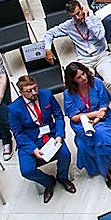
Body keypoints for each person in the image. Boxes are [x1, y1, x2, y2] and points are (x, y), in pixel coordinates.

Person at [42, 0, 111, 120]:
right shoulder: (69, 26)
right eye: (73, 16)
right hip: (85, 59)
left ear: (82, 9)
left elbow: (100, 35)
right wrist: (48, 49)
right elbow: (49, 33)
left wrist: (88, 19)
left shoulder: (95, 19)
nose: (77, 17)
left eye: (78, 13)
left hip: (101, 55)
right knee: (83, 80)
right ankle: (93, 107)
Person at [62, 62, 111, 189]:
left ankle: (106, 172)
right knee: (92, 139)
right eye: (78, 77)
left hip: (102, 119)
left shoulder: (96, 82)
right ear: (72, 80)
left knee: (101, 134)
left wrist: (97, 118)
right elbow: (74, 117)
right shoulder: (68, 93)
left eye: (83, 74)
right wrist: (93, 115)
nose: (83, 78)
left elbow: (104, 104)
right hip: (82, 125)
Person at [9, 74, 75, 202]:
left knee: (65, 154)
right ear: (21, 92)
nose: (34, 92)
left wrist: (59, 135)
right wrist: (33, 149)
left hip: (50, 135)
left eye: (35, 88)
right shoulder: (13, 109)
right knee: (27, 171)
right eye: (29, 91)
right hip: (30, 140)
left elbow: (58, 116)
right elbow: (17, 133)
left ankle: (62, 177)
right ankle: (48, 182)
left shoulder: (47, 95)